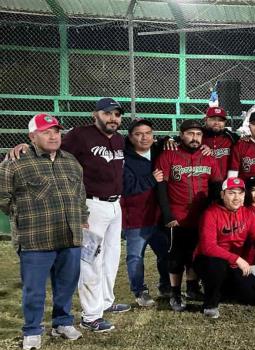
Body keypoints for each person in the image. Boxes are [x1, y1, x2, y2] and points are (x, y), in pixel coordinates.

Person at [7, 98, 130, 330]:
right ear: (95, 115)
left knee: (111, 257)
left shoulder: (119, 139)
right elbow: (50, 148)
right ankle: (90, 316)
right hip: (91, 204)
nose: (113, 118)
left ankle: (104, 301)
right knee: (90, 260)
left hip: (115, 205)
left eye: (117, 114)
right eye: (108, 114)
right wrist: (25, 146)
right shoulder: (80, 135)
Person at [0, 114, 88, 350]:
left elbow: (80, 194)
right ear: (32, 136)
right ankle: (31, 329)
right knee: (34, 288)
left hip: (69, 235)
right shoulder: (16, 161)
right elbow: (3, 196)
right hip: (35, 237)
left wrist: (82, 217)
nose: (53, 136)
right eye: (46, 131)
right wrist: (22, 215)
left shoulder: (70, 160)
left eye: (56, 131)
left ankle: (62, 322)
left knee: (67, 284)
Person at [156, 119, 223, 312]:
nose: (195, 138)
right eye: (191, 134)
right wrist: (167, 214)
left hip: (201, 215)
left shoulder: (208, 156)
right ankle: (175, 293)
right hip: (177, 214)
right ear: (182, 134)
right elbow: (161, 186)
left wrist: (214, 213)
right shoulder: (169, 154)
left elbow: (216, 185)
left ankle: (192, 288)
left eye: (199, 134)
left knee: (195, 253)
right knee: (176, 257)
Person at [193, 177, 255, 318]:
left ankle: (222, 290)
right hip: (208, 261)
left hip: (233, 264)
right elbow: (208, 247)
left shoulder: (248, 213)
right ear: (222, 195)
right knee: (217, 265)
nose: (237, 198)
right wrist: (237, 259)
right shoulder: (210, 213)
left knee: (254, 293)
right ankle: (210, 305)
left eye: (240, 193)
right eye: (231, 193)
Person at [121, 118, 170, 306]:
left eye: (148, 133)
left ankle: (165, 285)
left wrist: (168, 140)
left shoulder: (159, 150)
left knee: (166, 252)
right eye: (138, 134)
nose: (144, 137)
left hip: (158, 215)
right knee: (135, 256)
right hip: (136, 217)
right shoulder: (124, 157)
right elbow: (126, 186)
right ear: (130, 137)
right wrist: (151, 179)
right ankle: (139, 291)